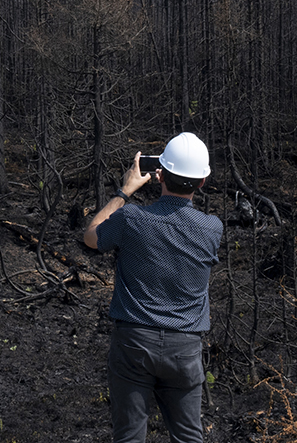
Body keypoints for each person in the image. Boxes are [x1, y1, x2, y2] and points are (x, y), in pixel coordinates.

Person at [81, 132, 223, 443]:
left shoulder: (132, 217)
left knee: (129, 437)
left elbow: (91, 236)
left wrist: (124, 191)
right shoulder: (212, 228)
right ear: (201, 182)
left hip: (134, 342)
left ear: (159, 174)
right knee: (189, 437)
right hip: (185, 348)